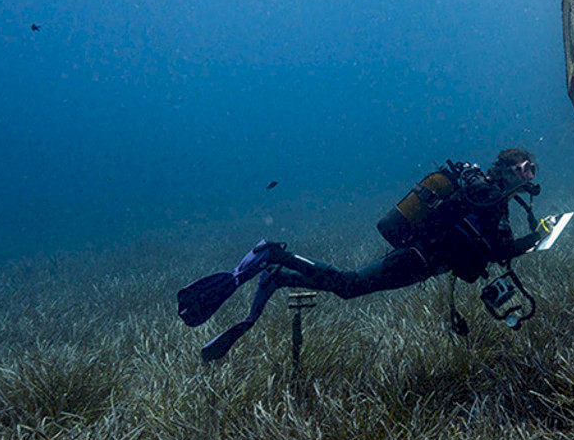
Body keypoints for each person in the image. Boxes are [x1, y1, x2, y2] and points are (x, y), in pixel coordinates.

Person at [178, 148, 547, 361]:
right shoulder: (484, 191)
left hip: (425, 262)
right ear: (507, 168)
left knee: (348, 287)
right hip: (418, 257)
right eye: (525, 169)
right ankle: (275, 256)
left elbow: (498, 250)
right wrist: (533, 236)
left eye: (532, 171)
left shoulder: (494, 203)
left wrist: (534, 237)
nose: (529, 177)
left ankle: (280, 276)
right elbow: (494, 238)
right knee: (350, 284)